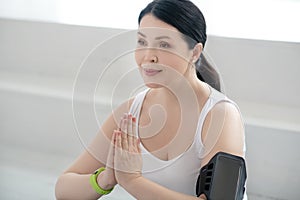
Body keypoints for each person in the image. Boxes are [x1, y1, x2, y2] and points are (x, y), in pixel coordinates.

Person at [55, 0, 246, 199]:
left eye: (164, 45)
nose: (149, 56)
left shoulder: (221, 115)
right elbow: (63, 189)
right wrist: (106, 178)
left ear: (195, 53)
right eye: (142, 42)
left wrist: (131, 181)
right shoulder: (130, 113)